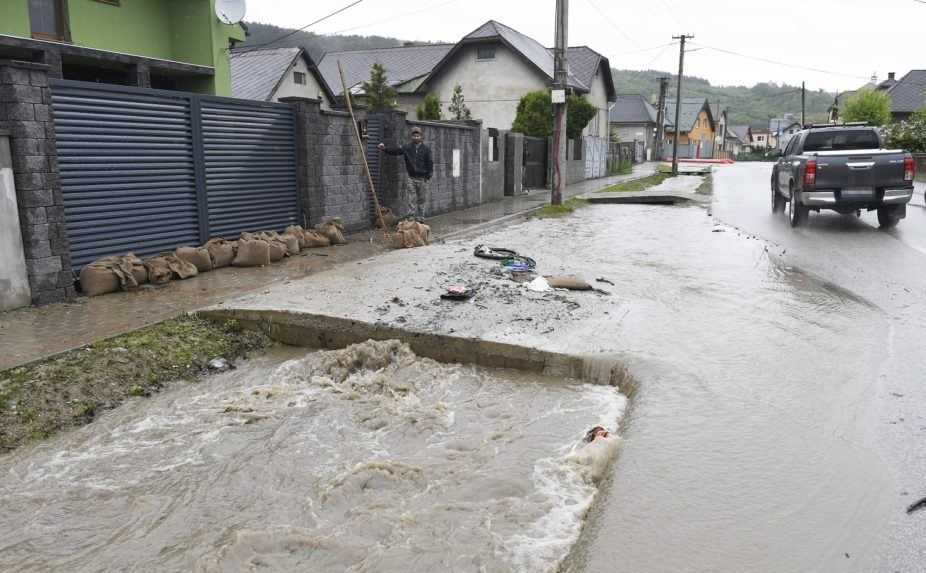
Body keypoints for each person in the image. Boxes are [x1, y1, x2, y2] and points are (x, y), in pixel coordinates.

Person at [377, 126, 433, 219]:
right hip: (411, 178)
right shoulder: (407, 147)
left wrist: (428, 176)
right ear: (411, 136)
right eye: (414, 136)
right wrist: (384, 148)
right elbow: (396, 151)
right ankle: (411, 217)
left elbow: (430, 162)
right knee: (411, 198)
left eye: (417, 135)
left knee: (422, 199)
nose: (416, 137)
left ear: (421, 136)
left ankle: (420, 218)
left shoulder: (426, 149)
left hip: (422, 178)